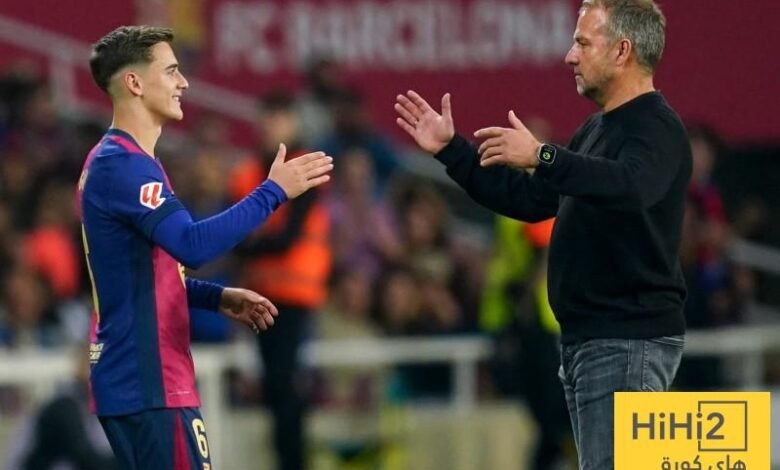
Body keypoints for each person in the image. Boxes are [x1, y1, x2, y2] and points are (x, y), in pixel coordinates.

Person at [394, 0, 691, 468]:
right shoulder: (597, 129)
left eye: (582, 43)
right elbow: (529, 200)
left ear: (622, 51)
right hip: (591, 341)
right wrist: (452, 151)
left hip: (626, 340)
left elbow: (632, 186)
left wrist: (544, 156)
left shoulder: (656, 126)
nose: (570, 56)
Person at [80, 26, 333, 469]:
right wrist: (273, 191)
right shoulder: (122, 165)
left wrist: (215, 297)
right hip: (148, 379)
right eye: (171, 71)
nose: (184, 83)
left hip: (141, 378)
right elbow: (192, 246)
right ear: (134, 83)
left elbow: (143, 274)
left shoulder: (125, 161)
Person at [229, 90, 332, 470]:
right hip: (258, 295)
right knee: (275, 387)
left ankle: (293, 461)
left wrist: (250, 245)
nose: (271, 126)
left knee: (284, 385)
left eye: (278, 118)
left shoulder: (307, 168)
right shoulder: (245, 174)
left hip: (294, 295)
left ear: (293, 122)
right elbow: (236, 234)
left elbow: (283, 237)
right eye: (267, 118)